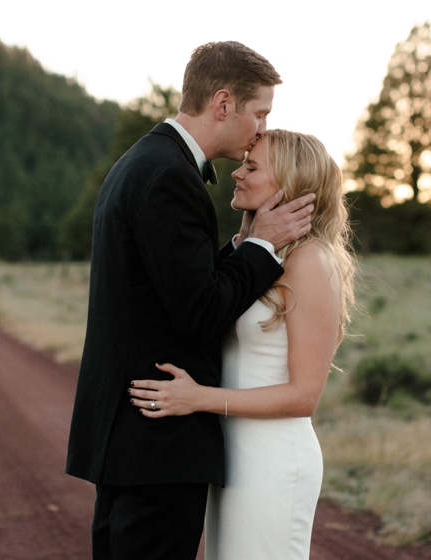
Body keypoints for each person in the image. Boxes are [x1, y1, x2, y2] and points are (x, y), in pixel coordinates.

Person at [65, 42, 316, 560]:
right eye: (259, 113)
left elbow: (177, 282)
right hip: (157, 442)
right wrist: (264, 247)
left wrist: (245, 246)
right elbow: (199, 311)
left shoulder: (147, 161)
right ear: (223, 104)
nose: (262, 130)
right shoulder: (170, 177)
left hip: (132, 437)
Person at [129, 129, 356, 559]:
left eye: (252, 167)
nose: (237, 173)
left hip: (273, 460)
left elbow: (304, 396)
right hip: (234, 455)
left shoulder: (310, 262)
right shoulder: (259, 255)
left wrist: (197, 398)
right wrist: (248, 241)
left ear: (288, 185)